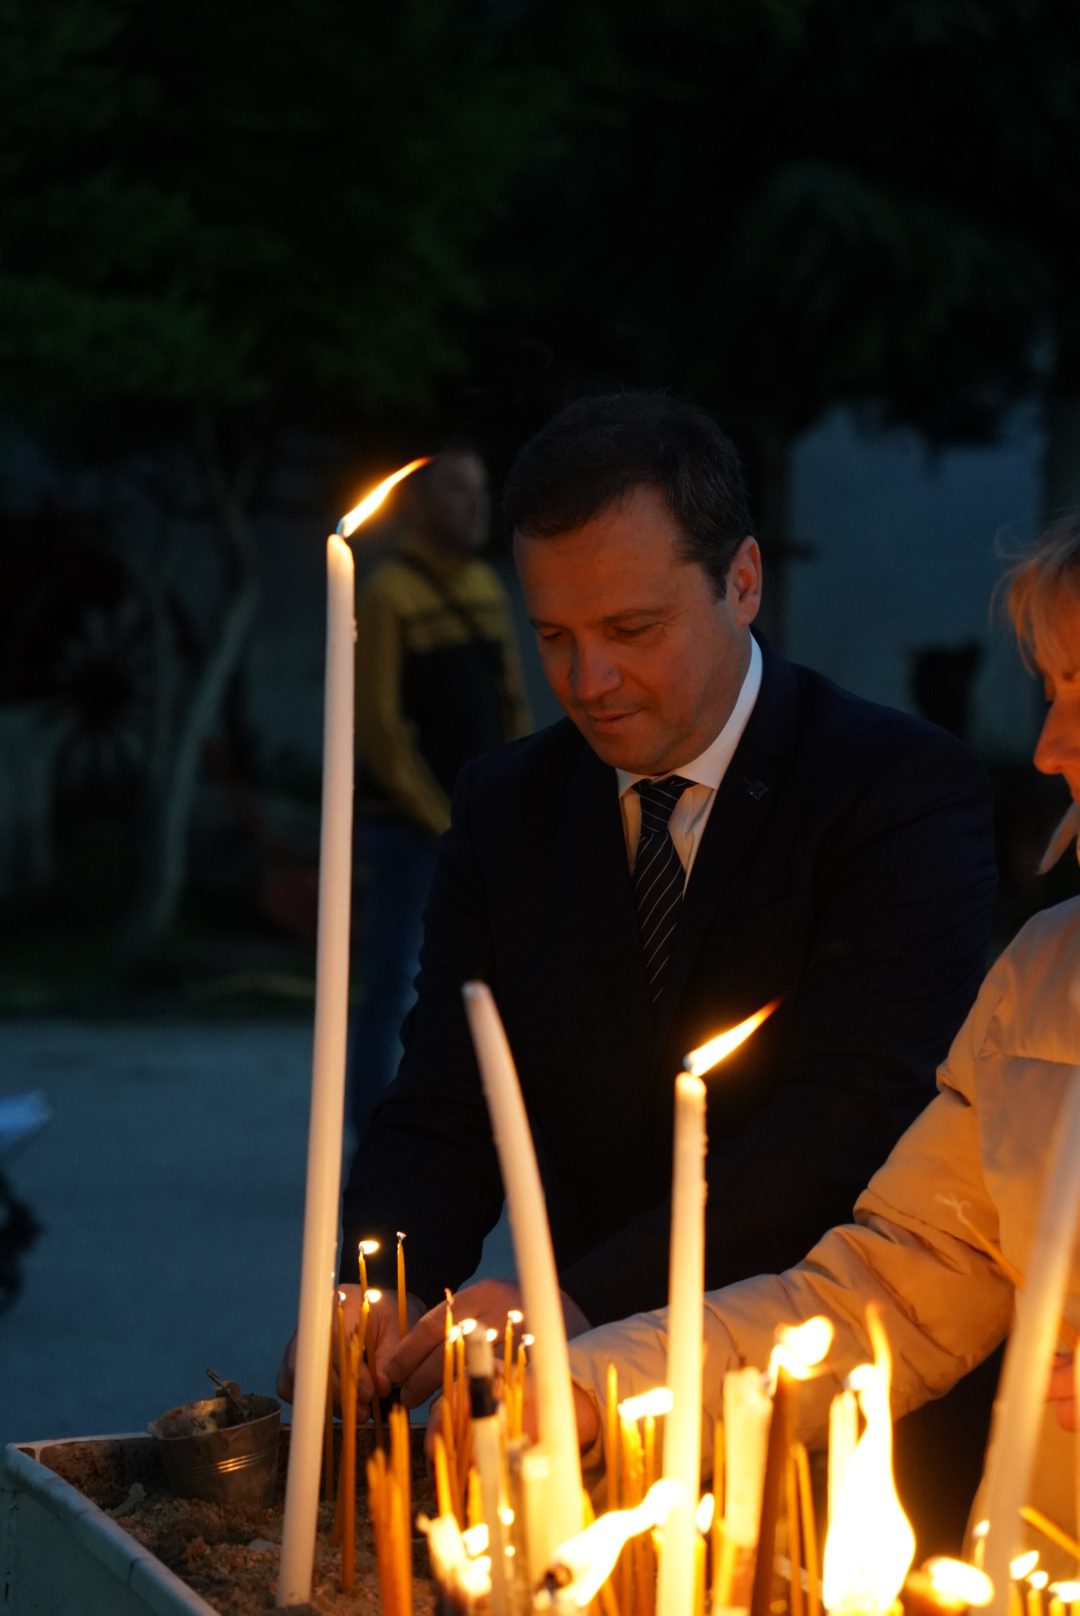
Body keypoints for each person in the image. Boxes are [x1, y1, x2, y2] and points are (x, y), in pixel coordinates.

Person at [280, 391, 995, 1427]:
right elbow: (448, 1095)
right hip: (585, 1418)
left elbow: (849, 1114)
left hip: (836, 1390)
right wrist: (379, 1277)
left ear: (741, 581)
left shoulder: (894, 789)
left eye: (632, 628)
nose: (590, 679)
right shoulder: (509, 806)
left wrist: (579, 1301)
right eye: (554, 635)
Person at [564, 516, 1080, 1566]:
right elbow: (890, 1291)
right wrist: (599, 1382)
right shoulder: (1045, 979)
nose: (1049, 747)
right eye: (1054, 691)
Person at [347, 446, 531, 1137]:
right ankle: (376, 1138)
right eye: (457, 490)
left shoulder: (486, 586)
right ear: (420, 504)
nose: (475, 506)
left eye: (480, 489)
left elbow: (512, 698)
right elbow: (381, 730)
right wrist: (441, 818)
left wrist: (517, 793)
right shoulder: (388, 594)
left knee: (484, 984)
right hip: (409, 831)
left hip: (481, 825)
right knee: (397, 984)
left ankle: (471, 1137)